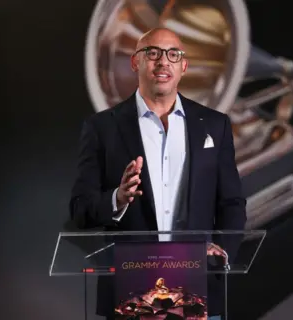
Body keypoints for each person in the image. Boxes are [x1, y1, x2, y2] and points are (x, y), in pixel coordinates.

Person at [70, 28, 247, 320]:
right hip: (129, 292)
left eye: (173, 54)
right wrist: (118, 198)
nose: (163, 62)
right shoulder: (101, 128)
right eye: (152, 53)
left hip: (198, 289)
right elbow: (79, 210)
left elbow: (232, 203)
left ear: (184, 66)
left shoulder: (215, 125)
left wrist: (221, 255)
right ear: (135, 63)